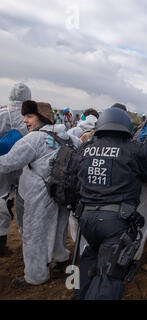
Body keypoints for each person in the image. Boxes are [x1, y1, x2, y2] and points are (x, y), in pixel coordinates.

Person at [73, 107, 147, 300]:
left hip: (86, 220)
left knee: (89, 258)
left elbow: (72, 177)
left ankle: (78, 294)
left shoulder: (84, 148)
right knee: (109, 274)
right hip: (116, 223)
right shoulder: (133, 149)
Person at [0, 100, 77, 287]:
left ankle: (36, 276)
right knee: (59, 228)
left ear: (41, 117)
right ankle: (60, 259)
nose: (25, 121)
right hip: (63, 192)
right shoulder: (67, 137)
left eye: (29, 116)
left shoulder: (33, 139)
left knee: (34, 234)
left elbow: (7, 163)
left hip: (39, 195)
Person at [0, 83, 31, 255]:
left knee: (1, 200)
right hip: (25, 167)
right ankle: (27, 239)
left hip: (2, 165)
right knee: (25, 203)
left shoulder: (2, 114)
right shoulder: (30, 117)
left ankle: (1, 240)